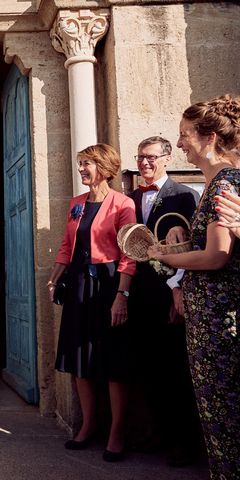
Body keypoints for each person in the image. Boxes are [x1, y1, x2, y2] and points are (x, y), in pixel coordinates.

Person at [148, 94, 240, 479]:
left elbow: (216, 257)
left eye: (185, 135)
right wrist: (183, 235)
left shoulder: (224, 184)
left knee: (225, 419)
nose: (180, 142)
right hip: (208, 317)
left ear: (209, 137)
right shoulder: (215, 183)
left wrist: (165, 257)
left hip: (220, 322)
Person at [47, 144, 135, 462]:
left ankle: (116, 433)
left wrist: (121, 296)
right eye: (80, 164)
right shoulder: (76, 204)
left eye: (87, 164)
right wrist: (55, 277)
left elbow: (130, 254)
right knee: (79, 359)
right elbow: (67, 244)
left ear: (105, 167)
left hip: (110, 284)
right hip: (81, 286)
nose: (81, 169)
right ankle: (88, 425)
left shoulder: (123, 204)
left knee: (113, 362)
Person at [127, 136, 202, 466]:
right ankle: (156, 432)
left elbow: (192, 247)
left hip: (172, 294)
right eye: (141, 157)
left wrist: (179, 290)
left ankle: (184, 443)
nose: (145, 163)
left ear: (167, 159)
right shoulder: (131, 198)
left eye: (151, 157)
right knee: (149, 368)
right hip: (142, 296)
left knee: (177, 371)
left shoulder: (186, 195)